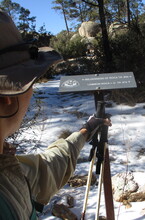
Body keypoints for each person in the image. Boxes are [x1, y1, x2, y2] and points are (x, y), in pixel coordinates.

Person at [0, 10, 111, 220]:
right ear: (9, 96)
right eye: (30, 80)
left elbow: (44, 169)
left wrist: (84, 132)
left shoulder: (9, 168)